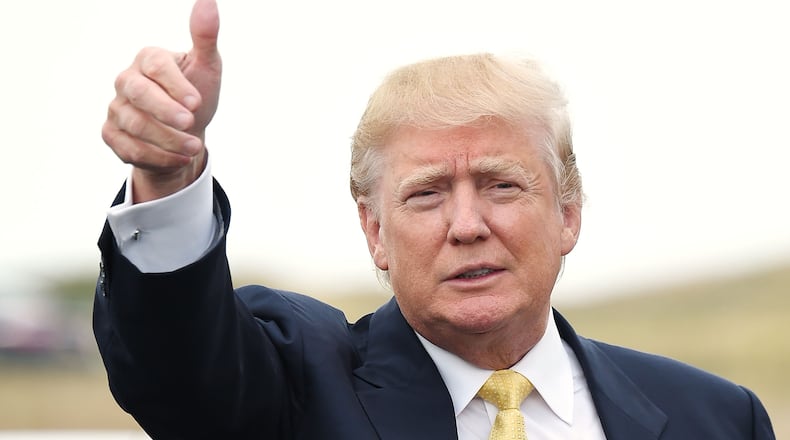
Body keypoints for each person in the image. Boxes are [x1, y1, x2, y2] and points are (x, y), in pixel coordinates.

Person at [93, 1, 775, 439]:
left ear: (568, 212)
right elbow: (180, 368)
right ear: (375, 232)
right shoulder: (294, 392)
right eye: (425, 194)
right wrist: (167, 177)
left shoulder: (715, 418)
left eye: (502, 185)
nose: (467, 223)